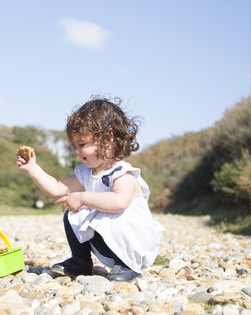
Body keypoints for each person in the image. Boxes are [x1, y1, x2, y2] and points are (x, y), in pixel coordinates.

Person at [16, 96, 164, 281]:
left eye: (82, 145)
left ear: (108, 139)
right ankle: (81, 261)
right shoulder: (86, 173)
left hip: (132, 245)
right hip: (108, 242)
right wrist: (33, 169)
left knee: (94, 208)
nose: (77, 152)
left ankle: (128, 266)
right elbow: (56, 189)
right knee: (72, 214)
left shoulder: (123, 173)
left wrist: (83, 197)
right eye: (74, 146)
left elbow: (119, 202)